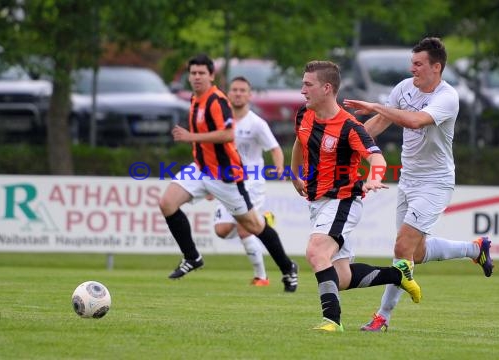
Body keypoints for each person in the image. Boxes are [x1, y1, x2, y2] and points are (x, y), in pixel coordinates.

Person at [343, 37, 494, 332]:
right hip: (408, 180)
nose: (412, 69)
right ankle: (475, 249)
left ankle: (382, 317)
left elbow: (414, 121)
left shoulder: (447, 97)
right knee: (416, 254)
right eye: (412, 63)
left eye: (418, 64)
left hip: (435, 183)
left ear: (436, 67)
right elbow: (380, 123)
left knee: (402, 248)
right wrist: (352, 144)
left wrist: (377, 106)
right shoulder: (403, 88)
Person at [291, 60, 421, 332]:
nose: (302, 90)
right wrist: (294, 174)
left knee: (316, 252)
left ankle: (332, 321)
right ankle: (398, 274)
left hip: (343, 200)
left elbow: (376, 159)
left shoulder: (349, 127)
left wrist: (374, 178)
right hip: (317, 201)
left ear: (327, 88)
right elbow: (300, 142)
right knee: (340, 277)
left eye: (307, 84)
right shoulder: (304, 114)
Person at [159, 54, 299, 292]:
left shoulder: (217, 101)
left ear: (212, 76)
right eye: (193, 73)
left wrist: (190, 137)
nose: (196, 77)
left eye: (202, 73)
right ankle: (192, 257)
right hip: (201, 169)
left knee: (254, 225)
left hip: (227, 176)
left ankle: (287, 268)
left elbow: (227, 135)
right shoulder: (196, 100)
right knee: (167, 203)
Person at [213, 76, 284, 286]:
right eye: (234, 90)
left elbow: (275, 148)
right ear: (228, 94)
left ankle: (261, 277)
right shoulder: (220, 121)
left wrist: (279, 167)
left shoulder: (256, 123)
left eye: (242, 90)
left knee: (245, 228)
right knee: (222, 230)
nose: (238, 93)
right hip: (226, 181)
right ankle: (263, 221)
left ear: (249, 95)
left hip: (251, 181)